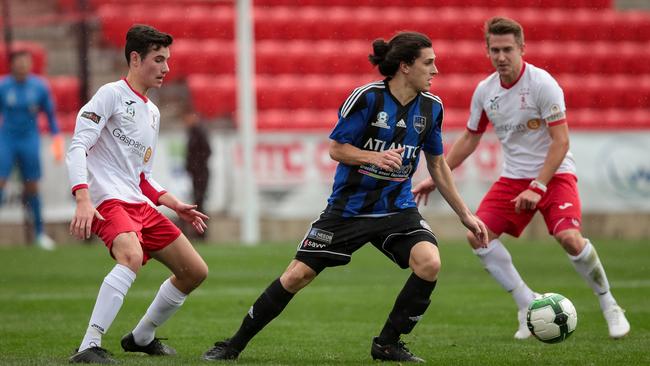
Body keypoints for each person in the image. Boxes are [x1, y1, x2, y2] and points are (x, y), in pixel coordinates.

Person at [203, 31, 487, 363]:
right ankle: (233, 344)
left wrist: (465, 214)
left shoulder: (431, 107)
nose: (435, 71)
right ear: (406, 66)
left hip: (397, 208)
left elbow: (437, 163)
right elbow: (336, 149)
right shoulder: (367, 98)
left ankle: (387, 343)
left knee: (429, 263)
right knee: (297, 276)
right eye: (429, 63)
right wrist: (373, 157)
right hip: (349, 210)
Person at [412, 17, 630, 340]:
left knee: (569, 238)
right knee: (478, 234)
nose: (501, 57)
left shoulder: (543, 84)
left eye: (507, 50)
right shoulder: (486, 91)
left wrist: (538, 186)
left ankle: (609, 303)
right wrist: (438, 174)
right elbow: (471, 137)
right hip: (513, 178)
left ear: (521, 49)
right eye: (495, 50)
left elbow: (561, 141)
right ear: (487, 51)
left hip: (554, 174)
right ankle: (526, 303)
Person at [66, 24, 209, 364]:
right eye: (158, 60)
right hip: (107, 201)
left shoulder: (153, 112)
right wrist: (83, 197)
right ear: (135, 58)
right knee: (130, 256)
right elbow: (78, 146)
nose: (166, 68)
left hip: (138, 204)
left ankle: (141, 337)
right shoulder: (110, 94)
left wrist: (173, 203)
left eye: (167, 60)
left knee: (195, 271)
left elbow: (142, 176)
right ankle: (89, 344)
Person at [0, 49, 63, 250]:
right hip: (7, 139)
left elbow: (51, 116)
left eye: (26, 62)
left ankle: (39, 234)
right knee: (1, 182)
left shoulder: (39, 87)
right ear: (12, 65)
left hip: (30, 140)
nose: (22, 66)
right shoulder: (3, 86)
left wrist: (57, 141)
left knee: (33, 187)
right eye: (19, 62)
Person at [183, 106, 211, 237]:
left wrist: (195, 165)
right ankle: (199, 232)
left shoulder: (199, 132)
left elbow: (207, 151)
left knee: (199, 201)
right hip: (196, 173)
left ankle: (202, 233)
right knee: (197, 201)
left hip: (201, 173)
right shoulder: (192, 132)